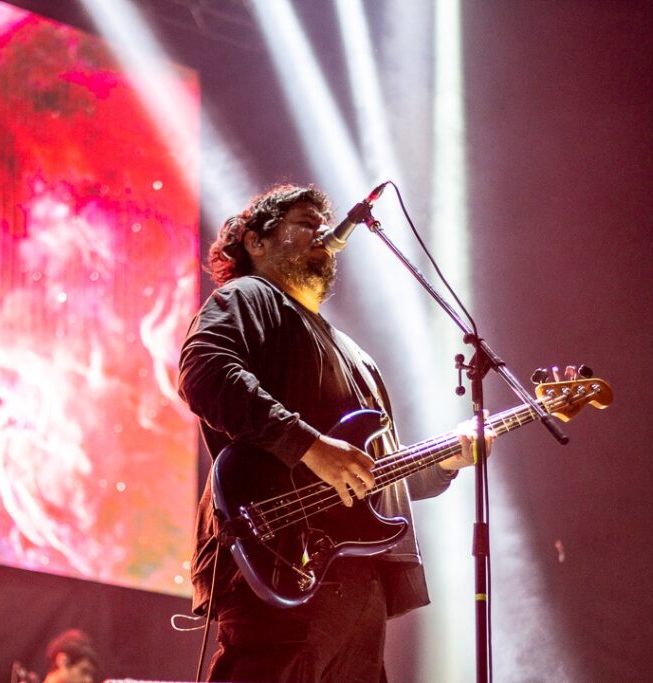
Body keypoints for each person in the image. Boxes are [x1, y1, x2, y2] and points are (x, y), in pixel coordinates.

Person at [178, 183, 487, 682]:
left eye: (322, 223)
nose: (322, 231)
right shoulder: (248, 297)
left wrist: (447, 460)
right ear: (256, 242)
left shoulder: (354, 352)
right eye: (305, 223)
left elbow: (374, 473)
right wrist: (309, 446)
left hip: (356, 578)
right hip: (279, 552)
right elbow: (205, 372)